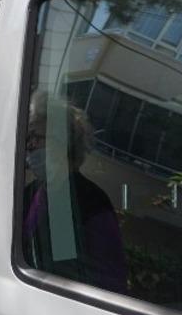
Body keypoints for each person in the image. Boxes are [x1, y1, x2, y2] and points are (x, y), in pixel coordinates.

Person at [22, 93, 128, 294]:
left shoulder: (85, 201)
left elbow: (100, 281)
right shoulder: (32, 193)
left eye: (36, 137)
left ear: (62, 141)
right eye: (28, 138)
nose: (29, 146)